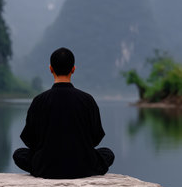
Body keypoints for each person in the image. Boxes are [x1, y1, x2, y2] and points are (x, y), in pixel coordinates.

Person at [13, 47, 114, 179]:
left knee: (19, 154)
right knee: (108, 154)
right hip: (83, 167)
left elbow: (29, 140)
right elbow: (96, 139)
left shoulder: (39, 101)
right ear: (73, 69)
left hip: (46, 167)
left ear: (51, 69)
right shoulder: (87, 100)